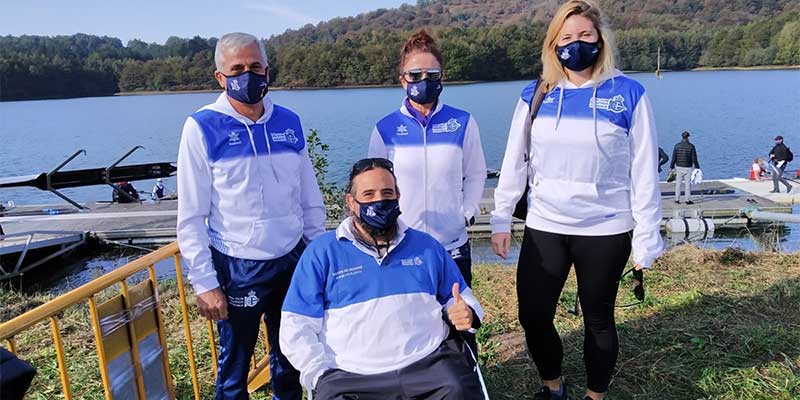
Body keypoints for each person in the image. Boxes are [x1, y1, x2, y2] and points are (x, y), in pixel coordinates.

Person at [489, 1, 663, 399]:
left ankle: (595, 395)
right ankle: (553, 386)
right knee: (533, 316)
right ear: (553, 44)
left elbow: (643, 172)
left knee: (598, 319)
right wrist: (502, 218)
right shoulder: (536, 93)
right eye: (566, 37)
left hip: (606, 226)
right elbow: (514, 160)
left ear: (600, 40)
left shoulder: (629, 94)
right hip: (546, 224)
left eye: (585, 35)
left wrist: (646, 238)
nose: (576, 44)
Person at [177, 32, 326, 400]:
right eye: (237, 69)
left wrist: (316, 253)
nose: (248, 75)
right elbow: (191, 215)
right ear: (220, 77)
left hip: (292, 258)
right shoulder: (202, 128)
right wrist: (205, 283)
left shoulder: (289, 122)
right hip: (238, 265)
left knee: (291, 355)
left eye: (255, 67)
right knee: (234, 368)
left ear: (267, 71)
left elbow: (309, 196)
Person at [280, 158, 488, 400]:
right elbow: (296, 325)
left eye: (387, 193)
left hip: (429, 366)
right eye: (368, 194)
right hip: (351, 376)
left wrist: (468, 313)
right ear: (351, 201)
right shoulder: (322, 252)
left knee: (461, 389)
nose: (379, 201)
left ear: (398, 195)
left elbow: (462, 299)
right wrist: (319, 374)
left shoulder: (427, 247)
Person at [367, 29, 487, 353]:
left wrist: (468, 212)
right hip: (402, 245)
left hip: (452, 244)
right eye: (415, 74)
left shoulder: (462, 122)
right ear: (402, 79)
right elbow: (374, 186)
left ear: (441, 76)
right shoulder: (385, 129)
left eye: (431, 74)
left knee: (461, 322)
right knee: (407, 323)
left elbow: (476, 173)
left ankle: (466, 378)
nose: (424, 80)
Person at [669, 131, 700, 204]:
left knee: (678, 184)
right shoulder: (691, 146)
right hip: (688, 167)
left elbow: (674, 157)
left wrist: (671, 167)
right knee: (687, 184)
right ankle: (687, 200)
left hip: (679, 167)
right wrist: (697, 167)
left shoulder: (677, 146)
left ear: (682, 137)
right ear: (688, 137)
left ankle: (677, 199)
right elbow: (694, 158)